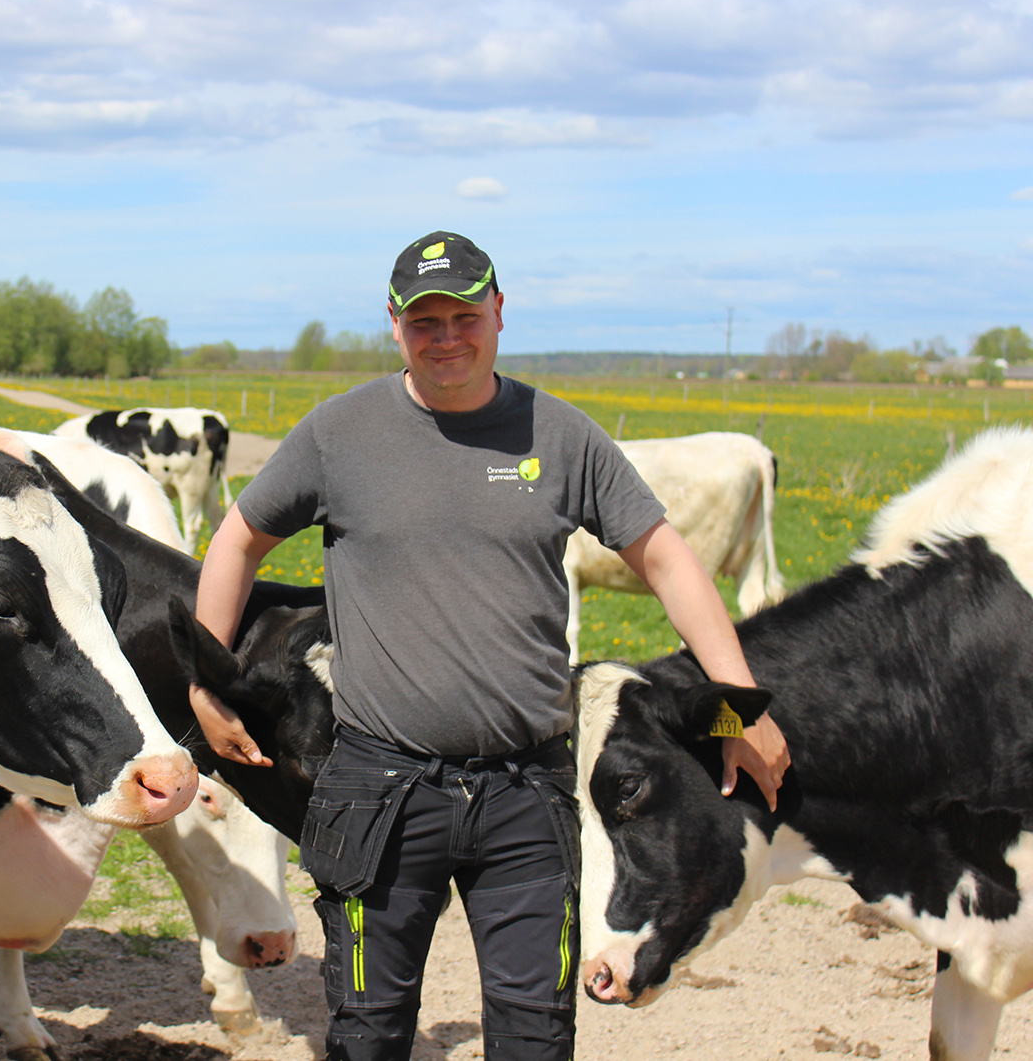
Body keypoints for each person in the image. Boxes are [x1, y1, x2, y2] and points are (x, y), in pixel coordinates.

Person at [187, 230, 790, 1061]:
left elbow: (667, 559)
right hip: (378, 789)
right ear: (394, 323)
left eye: (463, 315)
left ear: (499, 312)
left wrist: (739, 702)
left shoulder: (561, 434)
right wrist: (205, 679)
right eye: (424, 320)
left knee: (536, 1038)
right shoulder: (340, 433)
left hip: (526, 792)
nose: (446, 337)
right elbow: (238, 539)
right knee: (367, 1035)